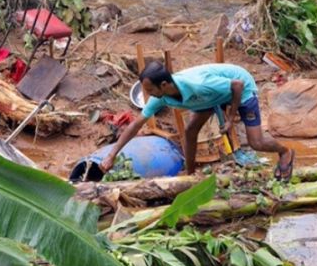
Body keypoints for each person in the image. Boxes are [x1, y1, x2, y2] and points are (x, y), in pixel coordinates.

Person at [100, 61, 295, 180]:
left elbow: (237, 85)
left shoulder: (198, 85)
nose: (149, 94)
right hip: (210, 98)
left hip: (240, 89)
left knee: (256, 142)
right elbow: (136, 125)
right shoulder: (161, 96)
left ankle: (285, 152)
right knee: (190, 131)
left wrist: (229, 118)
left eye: (150, 90)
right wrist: (111, 155)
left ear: (164, 85)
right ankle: (190, 174)